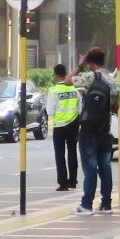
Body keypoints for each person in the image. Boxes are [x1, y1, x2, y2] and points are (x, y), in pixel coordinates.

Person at [74, 48, 117, 215]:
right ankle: (106, 205)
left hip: (88, 130)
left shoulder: (89, 77)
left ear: (90, 63)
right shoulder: (112, 82)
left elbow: (68, 80)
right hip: (105, 130)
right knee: (105, 167)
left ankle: (86, 205)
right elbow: (115, 107)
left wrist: (79, 65)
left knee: (90, 167)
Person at [48, 62, 82, 191]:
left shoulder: (53, 91)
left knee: (60, 154)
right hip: (73, 124)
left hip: (59, 126)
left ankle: (63, 183)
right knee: (72, 152)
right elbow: (80, 107)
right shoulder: (75, 89)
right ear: (65, 72)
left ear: (56, 75)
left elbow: (50, 111)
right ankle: (73, 181)